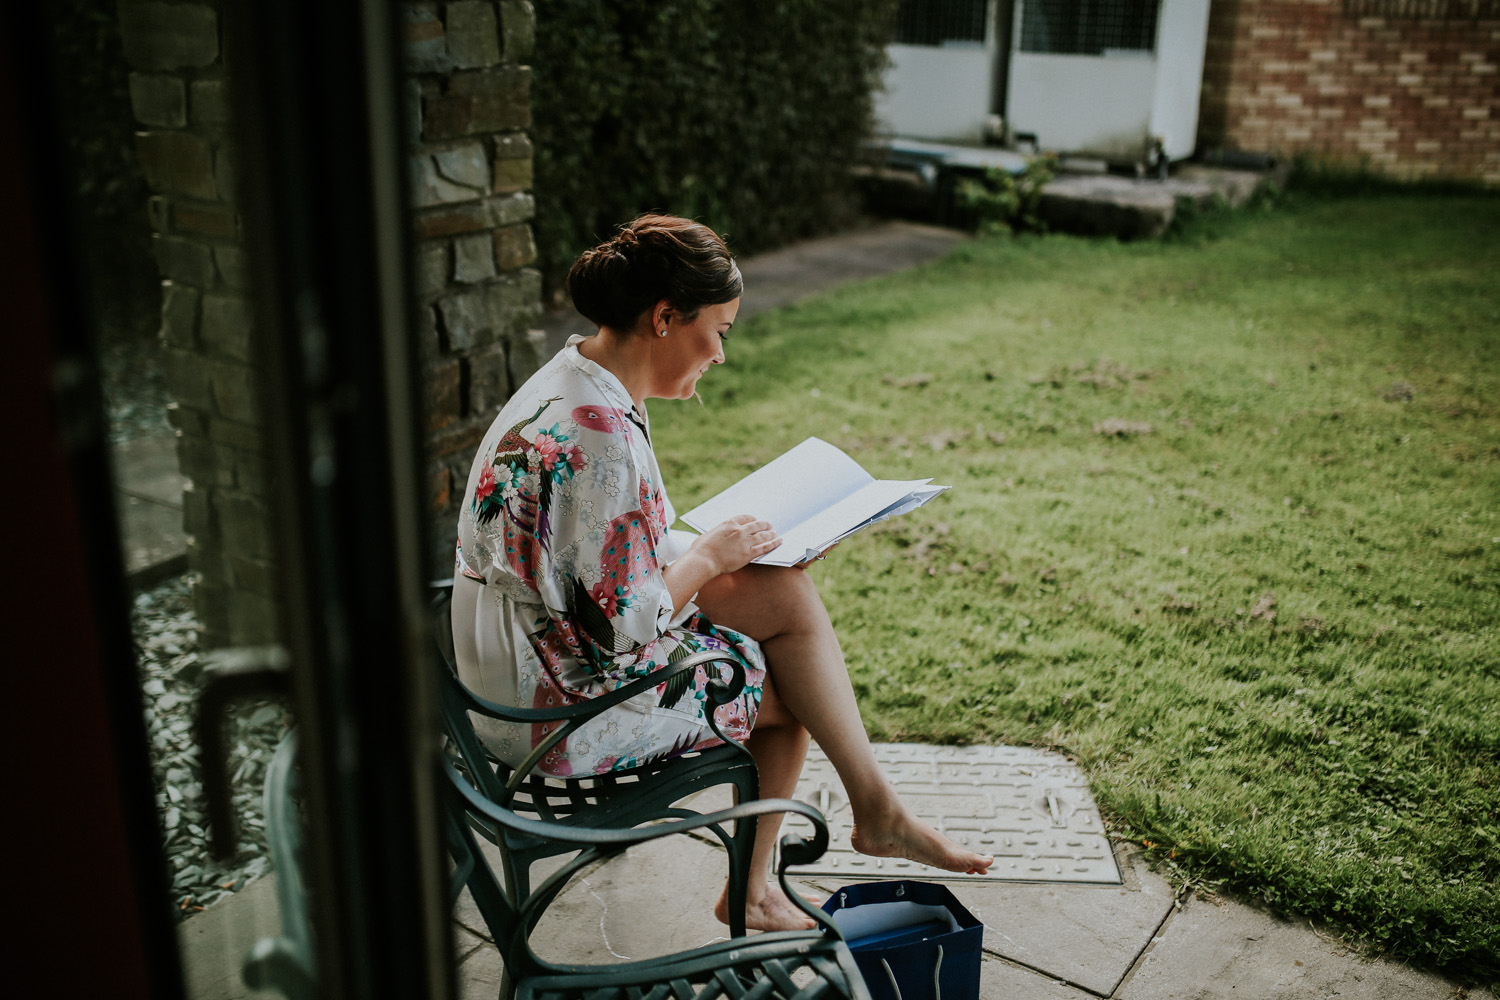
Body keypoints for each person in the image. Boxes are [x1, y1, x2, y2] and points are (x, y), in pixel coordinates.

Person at [451, 213, 991, 932]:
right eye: (721, 330)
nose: (721, 355)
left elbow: (594, 562)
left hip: (520, 658)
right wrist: (707, 556)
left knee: (782, 591)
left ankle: (870, 814)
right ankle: (776, 878)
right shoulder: (597, 435)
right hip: (553, 711)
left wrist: (752, 551)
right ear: (666, 317)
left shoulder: (578, 380)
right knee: (780, 687)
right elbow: (619, 628)